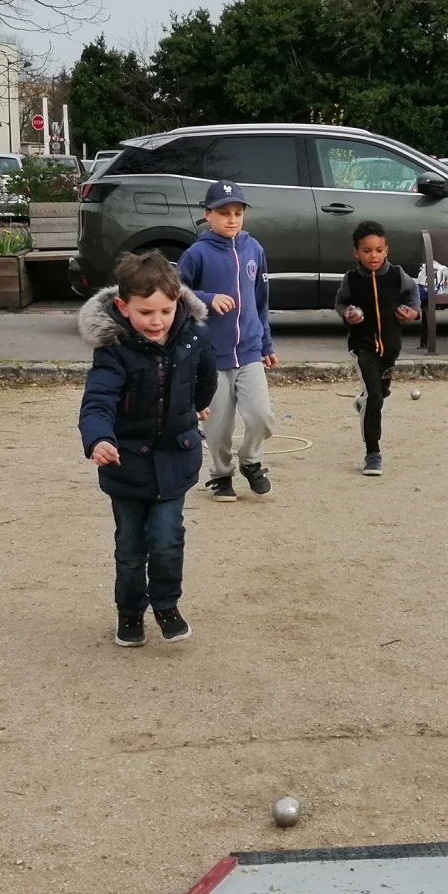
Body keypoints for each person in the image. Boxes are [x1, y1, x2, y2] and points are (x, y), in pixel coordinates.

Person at [78, 251, 217, 647]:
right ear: (123, 306)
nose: (156, 321)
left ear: (178, 304)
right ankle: (130, 612)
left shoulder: (194, 337)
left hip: (176, 455)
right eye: (145, 312)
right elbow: (98, 401)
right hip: (127, 464)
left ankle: (166, 604)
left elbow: (206, 377)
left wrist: (197, 405)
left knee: (168, 537)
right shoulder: (114, 348)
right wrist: (99, 438)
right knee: (130, 546)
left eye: (165, 310)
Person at [177, 180, 278, 501]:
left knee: (261, 416)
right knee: (218, 426)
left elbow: (261, 301)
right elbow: (176, 294)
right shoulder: (196, 253)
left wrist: (266, 345)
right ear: (208, 215)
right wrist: (207, 298)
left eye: (238, 212)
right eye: (224, 213)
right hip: (211, 357)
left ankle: (250, 460)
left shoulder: (254, 249)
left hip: (249, 352)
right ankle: (221, 475)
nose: (232, 219)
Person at [334, 220, 421, 476]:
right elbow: (341, 302)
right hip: (362, 348)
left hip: (391, 347)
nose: (374, 256)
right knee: (374, 396)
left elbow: (414, 293)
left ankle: (366, 404)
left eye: (379, 250)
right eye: (367, 251)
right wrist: (347, 313)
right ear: (356, 253)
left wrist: (412, 312)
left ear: (387, 250)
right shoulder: (351, 280)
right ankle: (373, 453)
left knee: (380, 395)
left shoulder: (397, 276)